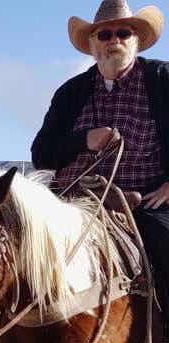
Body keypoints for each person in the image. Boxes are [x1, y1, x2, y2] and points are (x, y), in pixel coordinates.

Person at [32, 0, 169, 301]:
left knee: (165, 244)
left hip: (144, 201)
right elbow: (41, 153)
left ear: (136, 40)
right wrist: (83, 139)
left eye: (124, 33)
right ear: (92, 44)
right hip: (73, 198)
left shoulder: (162, 79)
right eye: (104, 35)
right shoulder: (71, 92)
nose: (114, 41)